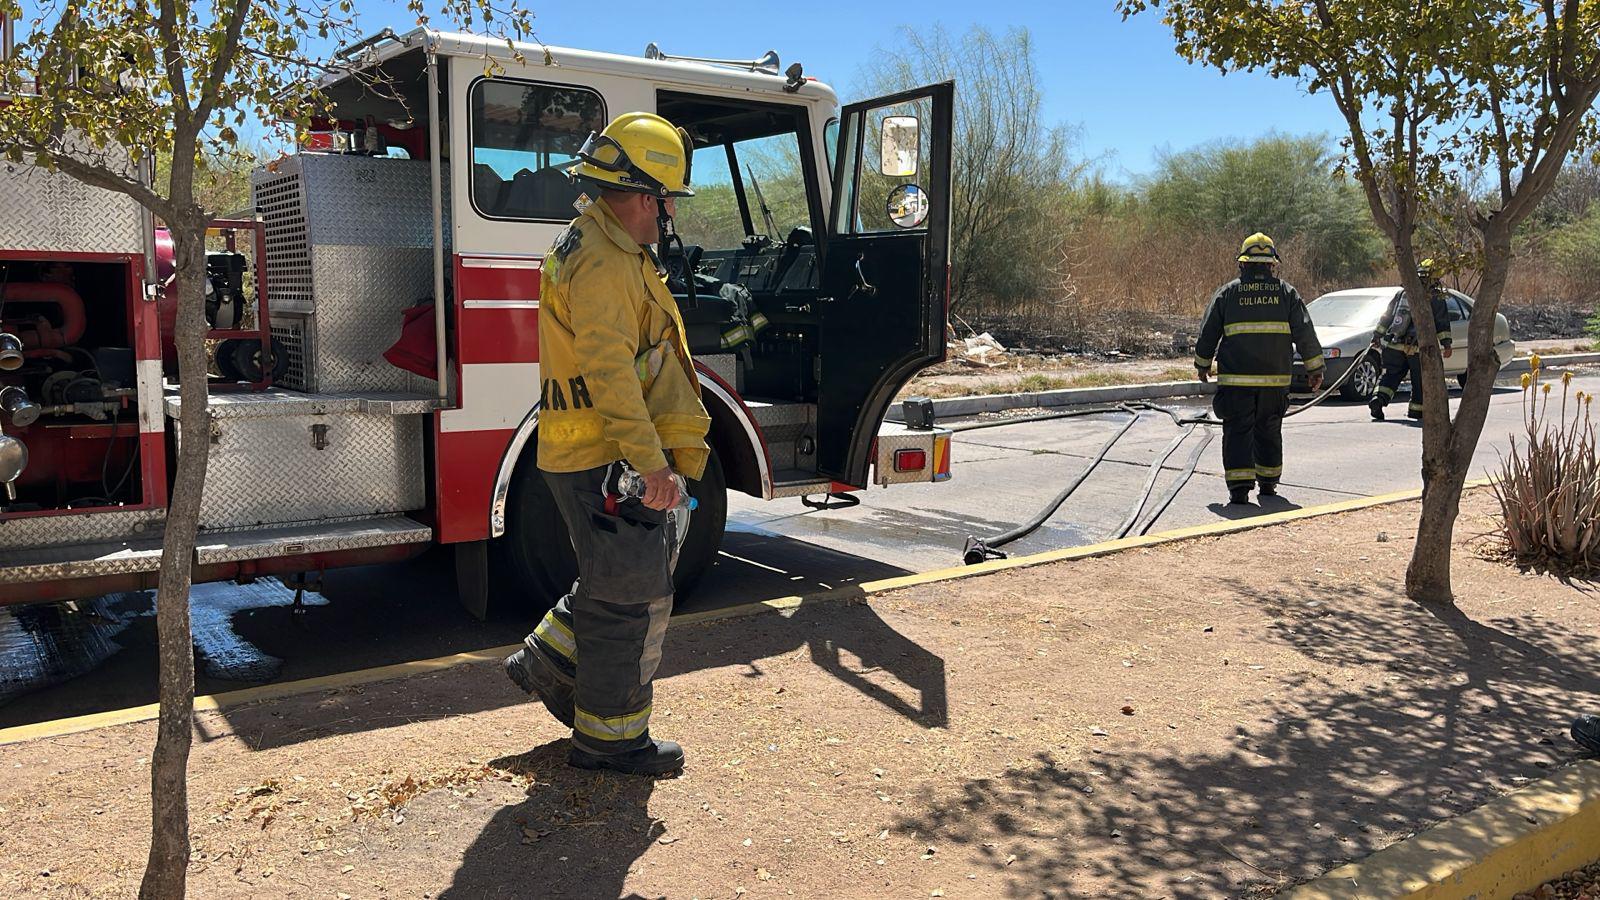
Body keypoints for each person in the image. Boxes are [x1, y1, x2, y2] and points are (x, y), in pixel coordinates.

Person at [502, 111, 711, 776]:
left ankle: (546, 660)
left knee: (614, 580)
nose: (669, 213)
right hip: (608, 458)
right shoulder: (603, 262)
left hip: (595, 454)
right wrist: (649, 463)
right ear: (645, 195)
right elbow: (610, 372)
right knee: (632, 602)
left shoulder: (605, 248)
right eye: (666, 199)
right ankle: (611, 740)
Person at [1195, 233, 1325, 505]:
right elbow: (1305, 333)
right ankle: (1268, 483)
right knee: (1269, 430)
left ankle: (1239, 490)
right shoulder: (1286, 293)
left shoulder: (1228, 293)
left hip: (1236, 383)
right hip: (1274, 383)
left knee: (1238, 432)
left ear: (1243, 264)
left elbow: (1208, 332)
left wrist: (1202, 364)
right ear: (1271, 265)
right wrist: (1315, 369)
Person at [1370, 258, 1453, 422]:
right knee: (1420, 380)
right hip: (1417, 348)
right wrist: (1446, 344)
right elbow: (1441, 322)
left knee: (1391, 375)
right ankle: (1416, 411)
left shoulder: (1403, 292)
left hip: (1393, 344)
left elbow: (1387, 316)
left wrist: (1377, 336)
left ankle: (1378, 399)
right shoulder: (1435, 296)